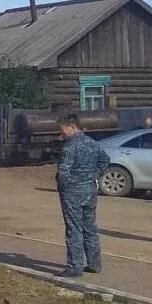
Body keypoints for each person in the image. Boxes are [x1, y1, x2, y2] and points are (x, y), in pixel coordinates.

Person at [55, 114, 110, 277]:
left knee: (74, 228)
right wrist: (94, 175)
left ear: (72, 127)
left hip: (72, 191)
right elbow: (105, 160)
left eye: (62, 130)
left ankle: (75, 267)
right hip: (90, 190)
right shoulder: (92, 143)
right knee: (90, 227)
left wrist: (62, 188)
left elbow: (63, 172)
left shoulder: (69, 147)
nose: (61, 134)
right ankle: (94, 263)